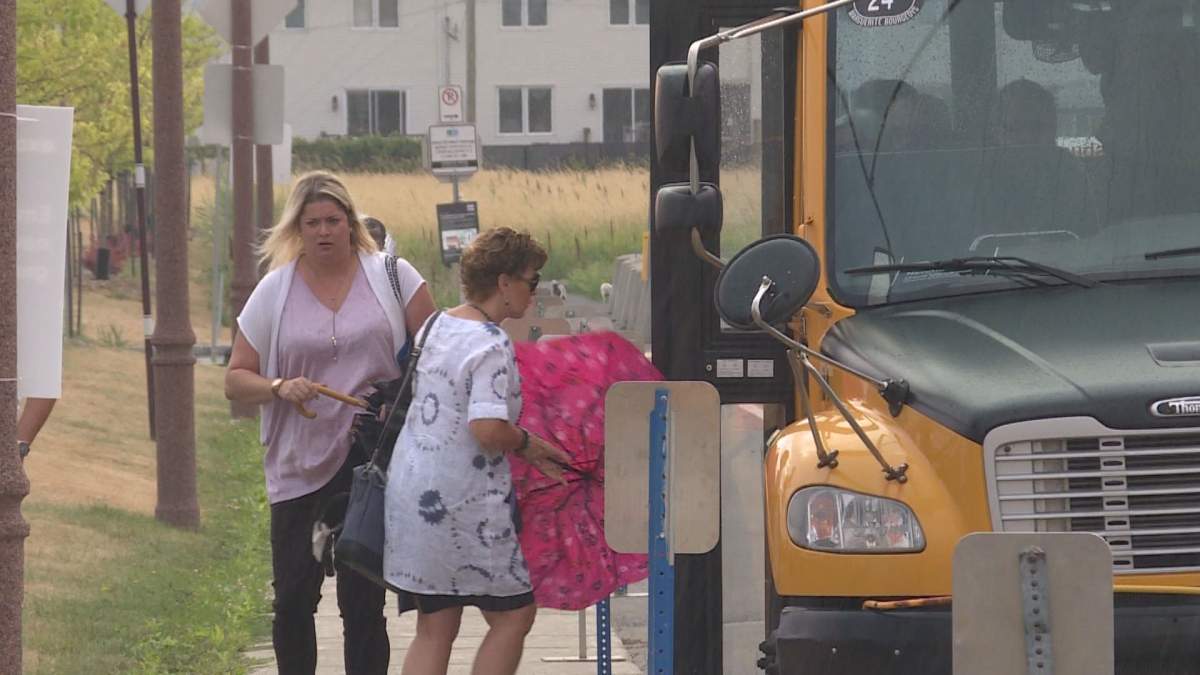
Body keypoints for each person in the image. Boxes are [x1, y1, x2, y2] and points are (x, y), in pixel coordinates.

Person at [224, 170, 436, 675]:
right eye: (312, 222)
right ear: (296, 228)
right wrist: (279, 386)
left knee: (363, 603)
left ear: (350, 223)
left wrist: (399, 403)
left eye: (333, 220)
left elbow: (436, 353)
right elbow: (235, 378)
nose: (323, 231)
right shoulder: (274, 291)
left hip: (371, 462)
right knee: (293, 600)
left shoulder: (393, 276)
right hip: (298, 466)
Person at [383, 227, 571, 675]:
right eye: (531, 280)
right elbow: (486, 428)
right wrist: (528, 444)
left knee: (435, 627)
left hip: (414, 494)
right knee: (514, 616)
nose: (534, 291)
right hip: (462, 502)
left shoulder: (436, 325)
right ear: (504, 282)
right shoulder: (490, 342)